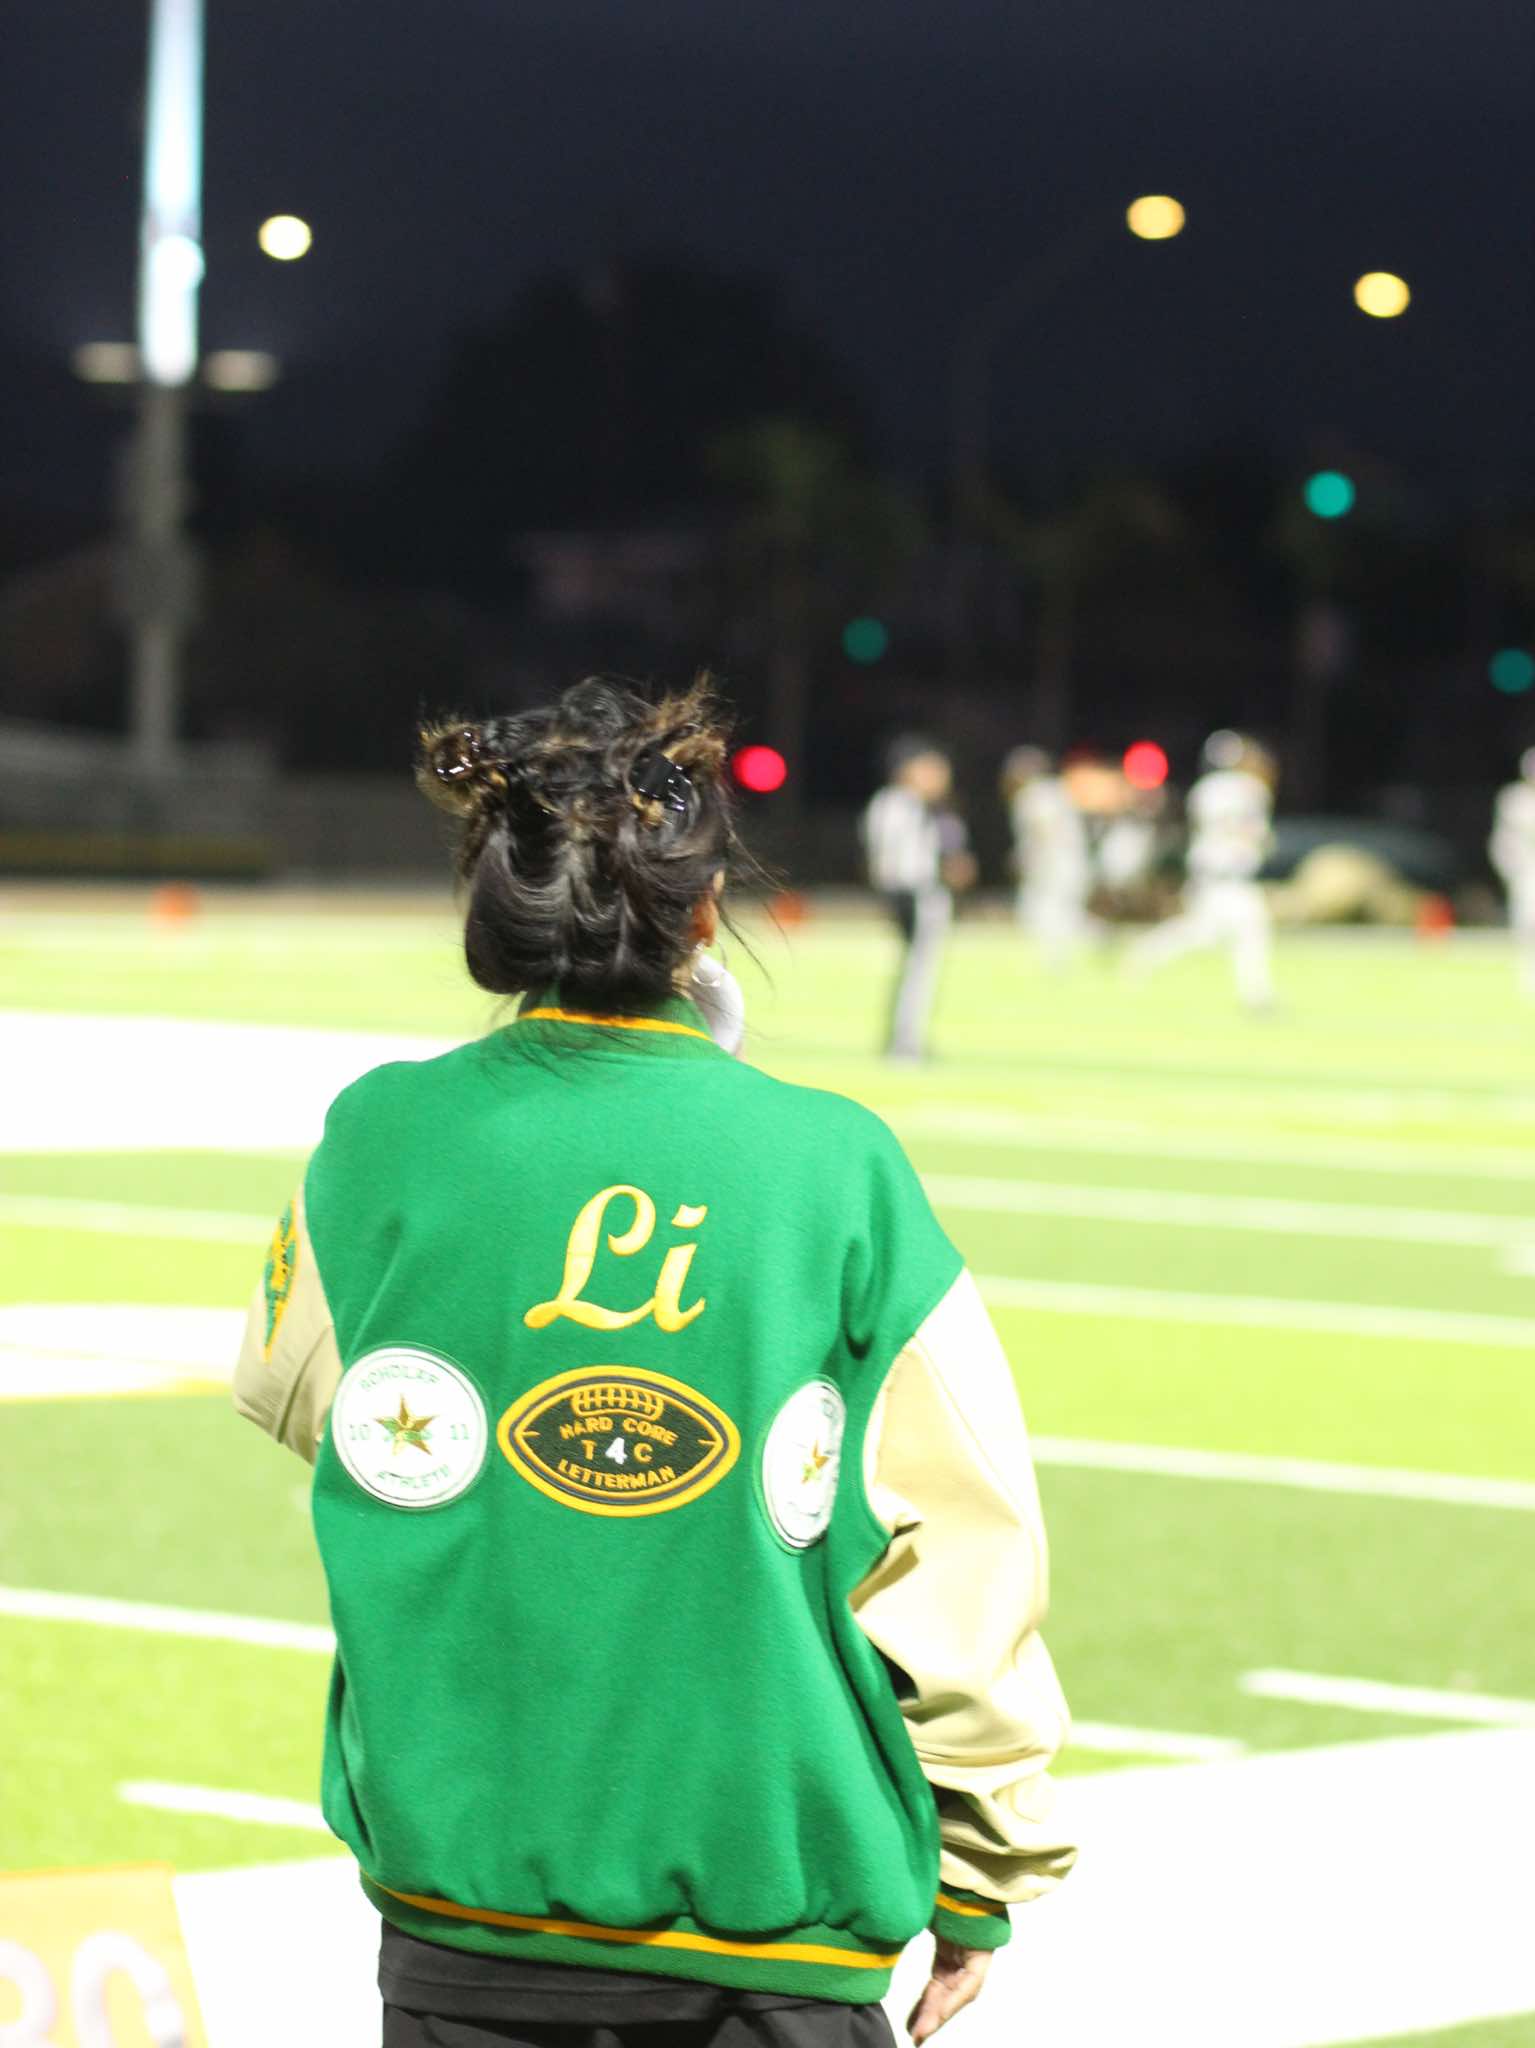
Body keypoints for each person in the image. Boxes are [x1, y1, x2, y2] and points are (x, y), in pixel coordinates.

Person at [233, 676, 1074, 2048]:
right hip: (771, 1937)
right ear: (702, 911)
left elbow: (295, 1395)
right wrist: (980, 1872)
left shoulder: (376, 1132)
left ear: (495, 903)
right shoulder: (836, 1163)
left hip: (458, 1923)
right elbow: (963, 1548)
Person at [1126, 728, 1277, 1010]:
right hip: (1230, 876)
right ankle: (1257, 996)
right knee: (1248, 928)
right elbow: (1254, 832)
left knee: (1206, 932)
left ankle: (1144, 953)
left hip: (1208, 873)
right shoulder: (1250, 788)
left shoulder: (1204, 790)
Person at [861, 737, 974, 1060]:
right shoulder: (901, 804)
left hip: (912, 893)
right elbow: (900, 862)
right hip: (916, 894)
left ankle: (904, 1038)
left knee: (917, 971)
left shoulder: (907, 805)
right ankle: (905, 1042)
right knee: (920, 972)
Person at [1000, 746, 1095, 970]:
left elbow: (1045, 831)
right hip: (1072, 863)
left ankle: (1058, 959)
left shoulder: (1033, 795)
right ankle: (1062, 959)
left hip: (1053, 865)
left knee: (1042, 912)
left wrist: (1026, 859)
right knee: (1063, 914)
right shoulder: (1056, 790)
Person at [1489, 748, 1535, 996]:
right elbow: (1505, 842)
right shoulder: (1516, 801)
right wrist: (1511, 869)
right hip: (1528, 871)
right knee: (1528, 922)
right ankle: (1529, 974)